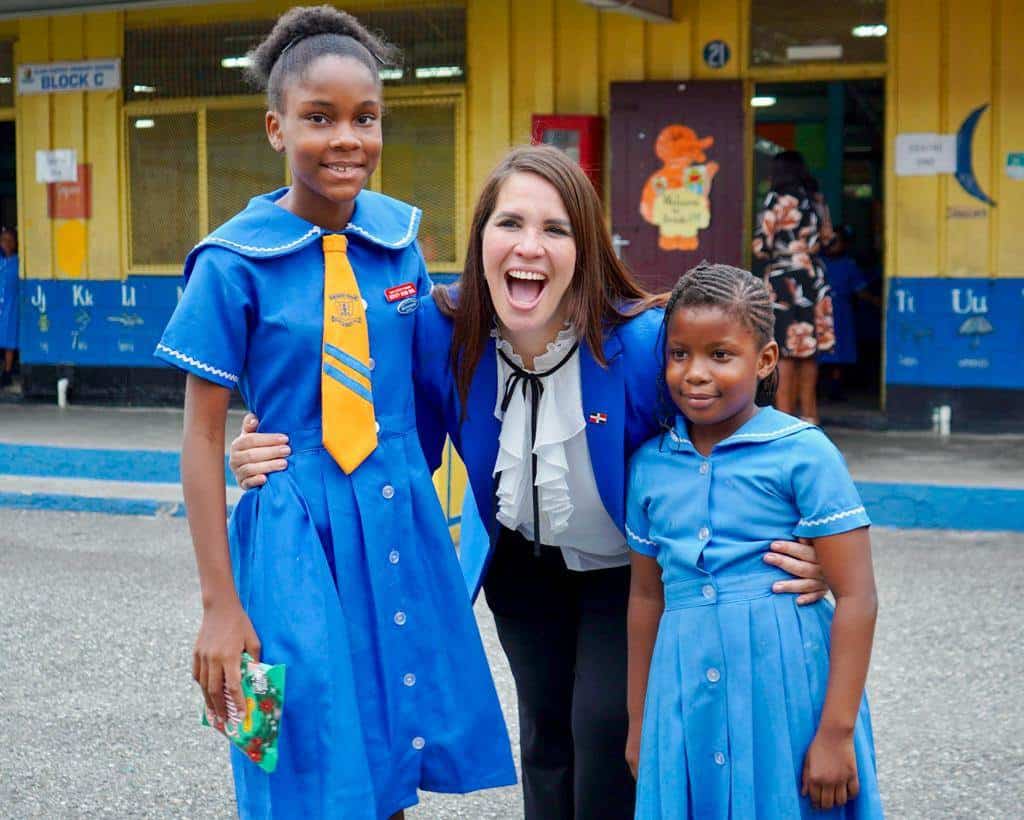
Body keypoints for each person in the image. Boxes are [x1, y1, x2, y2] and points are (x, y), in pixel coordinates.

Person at [231, 146, 831, 820]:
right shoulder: (439, 331)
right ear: (481, 238)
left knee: (603, 730)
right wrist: (269, 450)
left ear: (586, 249)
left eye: (555, 229)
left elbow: (737, 423)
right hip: (519, 563)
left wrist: (802, 538)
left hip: (624, 576)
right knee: (545, 737)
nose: (529, 247)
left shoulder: (642, 345)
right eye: (509, 223)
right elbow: (385, 439)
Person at [153, 7, 515, 819]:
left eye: (366, 117)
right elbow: (202, 432)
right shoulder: (230, 262)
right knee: (290, 740)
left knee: (394, 726)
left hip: (395, 513)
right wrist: (219, 604)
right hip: (292, 523)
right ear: (276, 127)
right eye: (320, 118)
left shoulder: (400, 243)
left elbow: (439, 381)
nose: (346, 138)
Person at [625, 262, 883, 818]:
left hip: (785, 693)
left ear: (765, 360)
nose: (695, 373)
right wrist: (639, 723)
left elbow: (858, 596)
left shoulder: (805, 453)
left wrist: (836, 733)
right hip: (684, 690)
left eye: (720, 354)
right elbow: (647, 597)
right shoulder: (649, 465)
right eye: (679, 354)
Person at [753, 150, 835, 424]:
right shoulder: (816, 200)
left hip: (783, 278)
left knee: (785, 349)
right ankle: (810, 416)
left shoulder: (776, 199)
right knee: (808, 349)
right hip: (812, 277)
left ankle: (785, 420)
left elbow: (762, 245)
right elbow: (827, 237)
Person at [819, 225, 874, 398]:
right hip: (821, 311)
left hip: (842, 312)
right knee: (819, 351)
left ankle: (835, 389)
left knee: (840, 351)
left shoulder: (849, 265)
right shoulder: (818, 263)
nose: (832, 245)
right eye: (830, 241)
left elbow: (861, 290)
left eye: (837, 241)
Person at [0, 227, 19, 389]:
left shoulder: (18, 262)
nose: (6, 244)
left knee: (9, 338)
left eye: (9, 240)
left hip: (11, 305)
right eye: (3, 240)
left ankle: (7, 372)